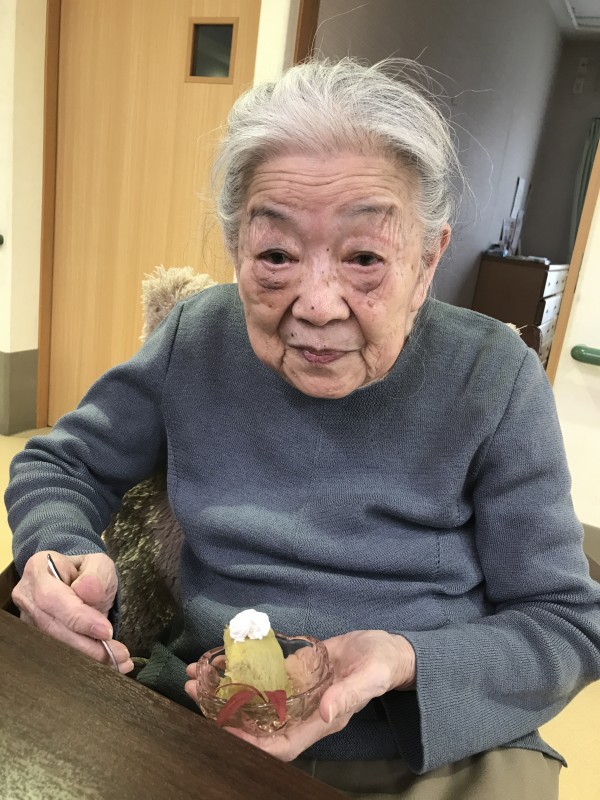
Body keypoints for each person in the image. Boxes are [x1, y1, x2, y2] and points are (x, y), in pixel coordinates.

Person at [6, 58, 600, 799]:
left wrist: (402, 659)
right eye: (277, 256)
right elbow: (60, 466)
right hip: (208, 713)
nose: (317, 305)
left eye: (365, 258)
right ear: (237, 251)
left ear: (427, 261)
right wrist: (60, 552)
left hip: (429, 742)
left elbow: (565, 623)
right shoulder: (198, 337)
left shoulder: (493, 375)